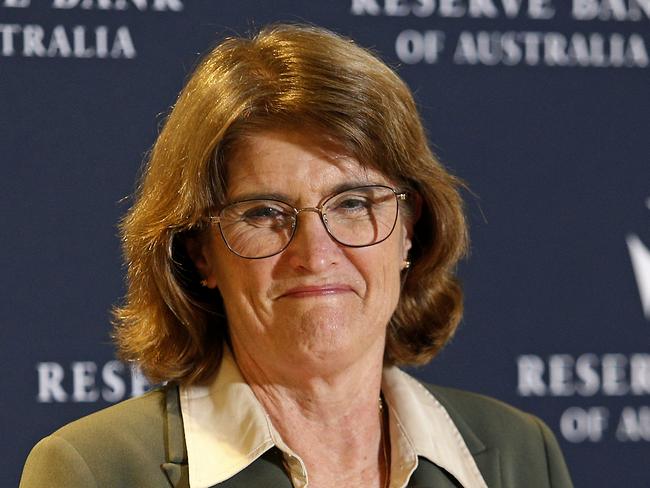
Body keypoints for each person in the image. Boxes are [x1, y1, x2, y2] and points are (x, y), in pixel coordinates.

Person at [20, 23, 573, 488]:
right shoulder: (95, 471)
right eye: (263, 213)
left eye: (354, 203)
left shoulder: (520, 454)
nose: (315, 254)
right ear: (200, 252)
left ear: (410, 230)